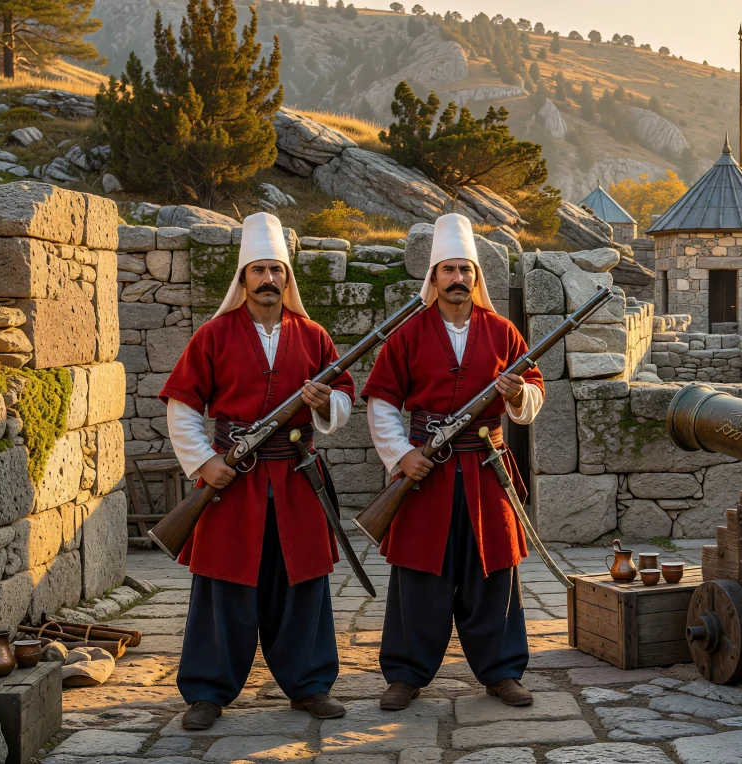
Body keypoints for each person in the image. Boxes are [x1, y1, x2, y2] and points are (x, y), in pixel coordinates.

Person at [161, 212, 356, 730]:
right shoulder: (214, 335)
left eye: (277, 270)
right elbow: (182, 406)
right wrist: (206, 464)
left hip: (297, 477)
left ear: (287, 279)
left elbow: (344, 401)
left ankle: (310, 685)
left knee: (304, 582)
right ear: (243, 277)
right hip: (232, 480)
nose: (269, 279)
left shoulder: (313, 335)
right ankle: (207, 691)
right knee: (224, 583)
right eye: (258, 270)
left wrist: (320, 404)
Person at [363, 213, 545, 711]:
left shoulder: (503, 331)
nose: (458, 278)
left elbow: (534, 390)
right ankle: (405, 675)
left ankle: (502, 672)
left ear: (476, 276)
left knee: (495, 575)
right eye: (448, 270)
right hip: (427, 472)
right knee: (418, 576)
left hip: (487, 469)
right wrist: (403, 456)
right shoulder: (407, 334)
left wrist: (514, 397)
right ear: (434, 277)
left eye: (466, 269)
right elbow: (381, 401)